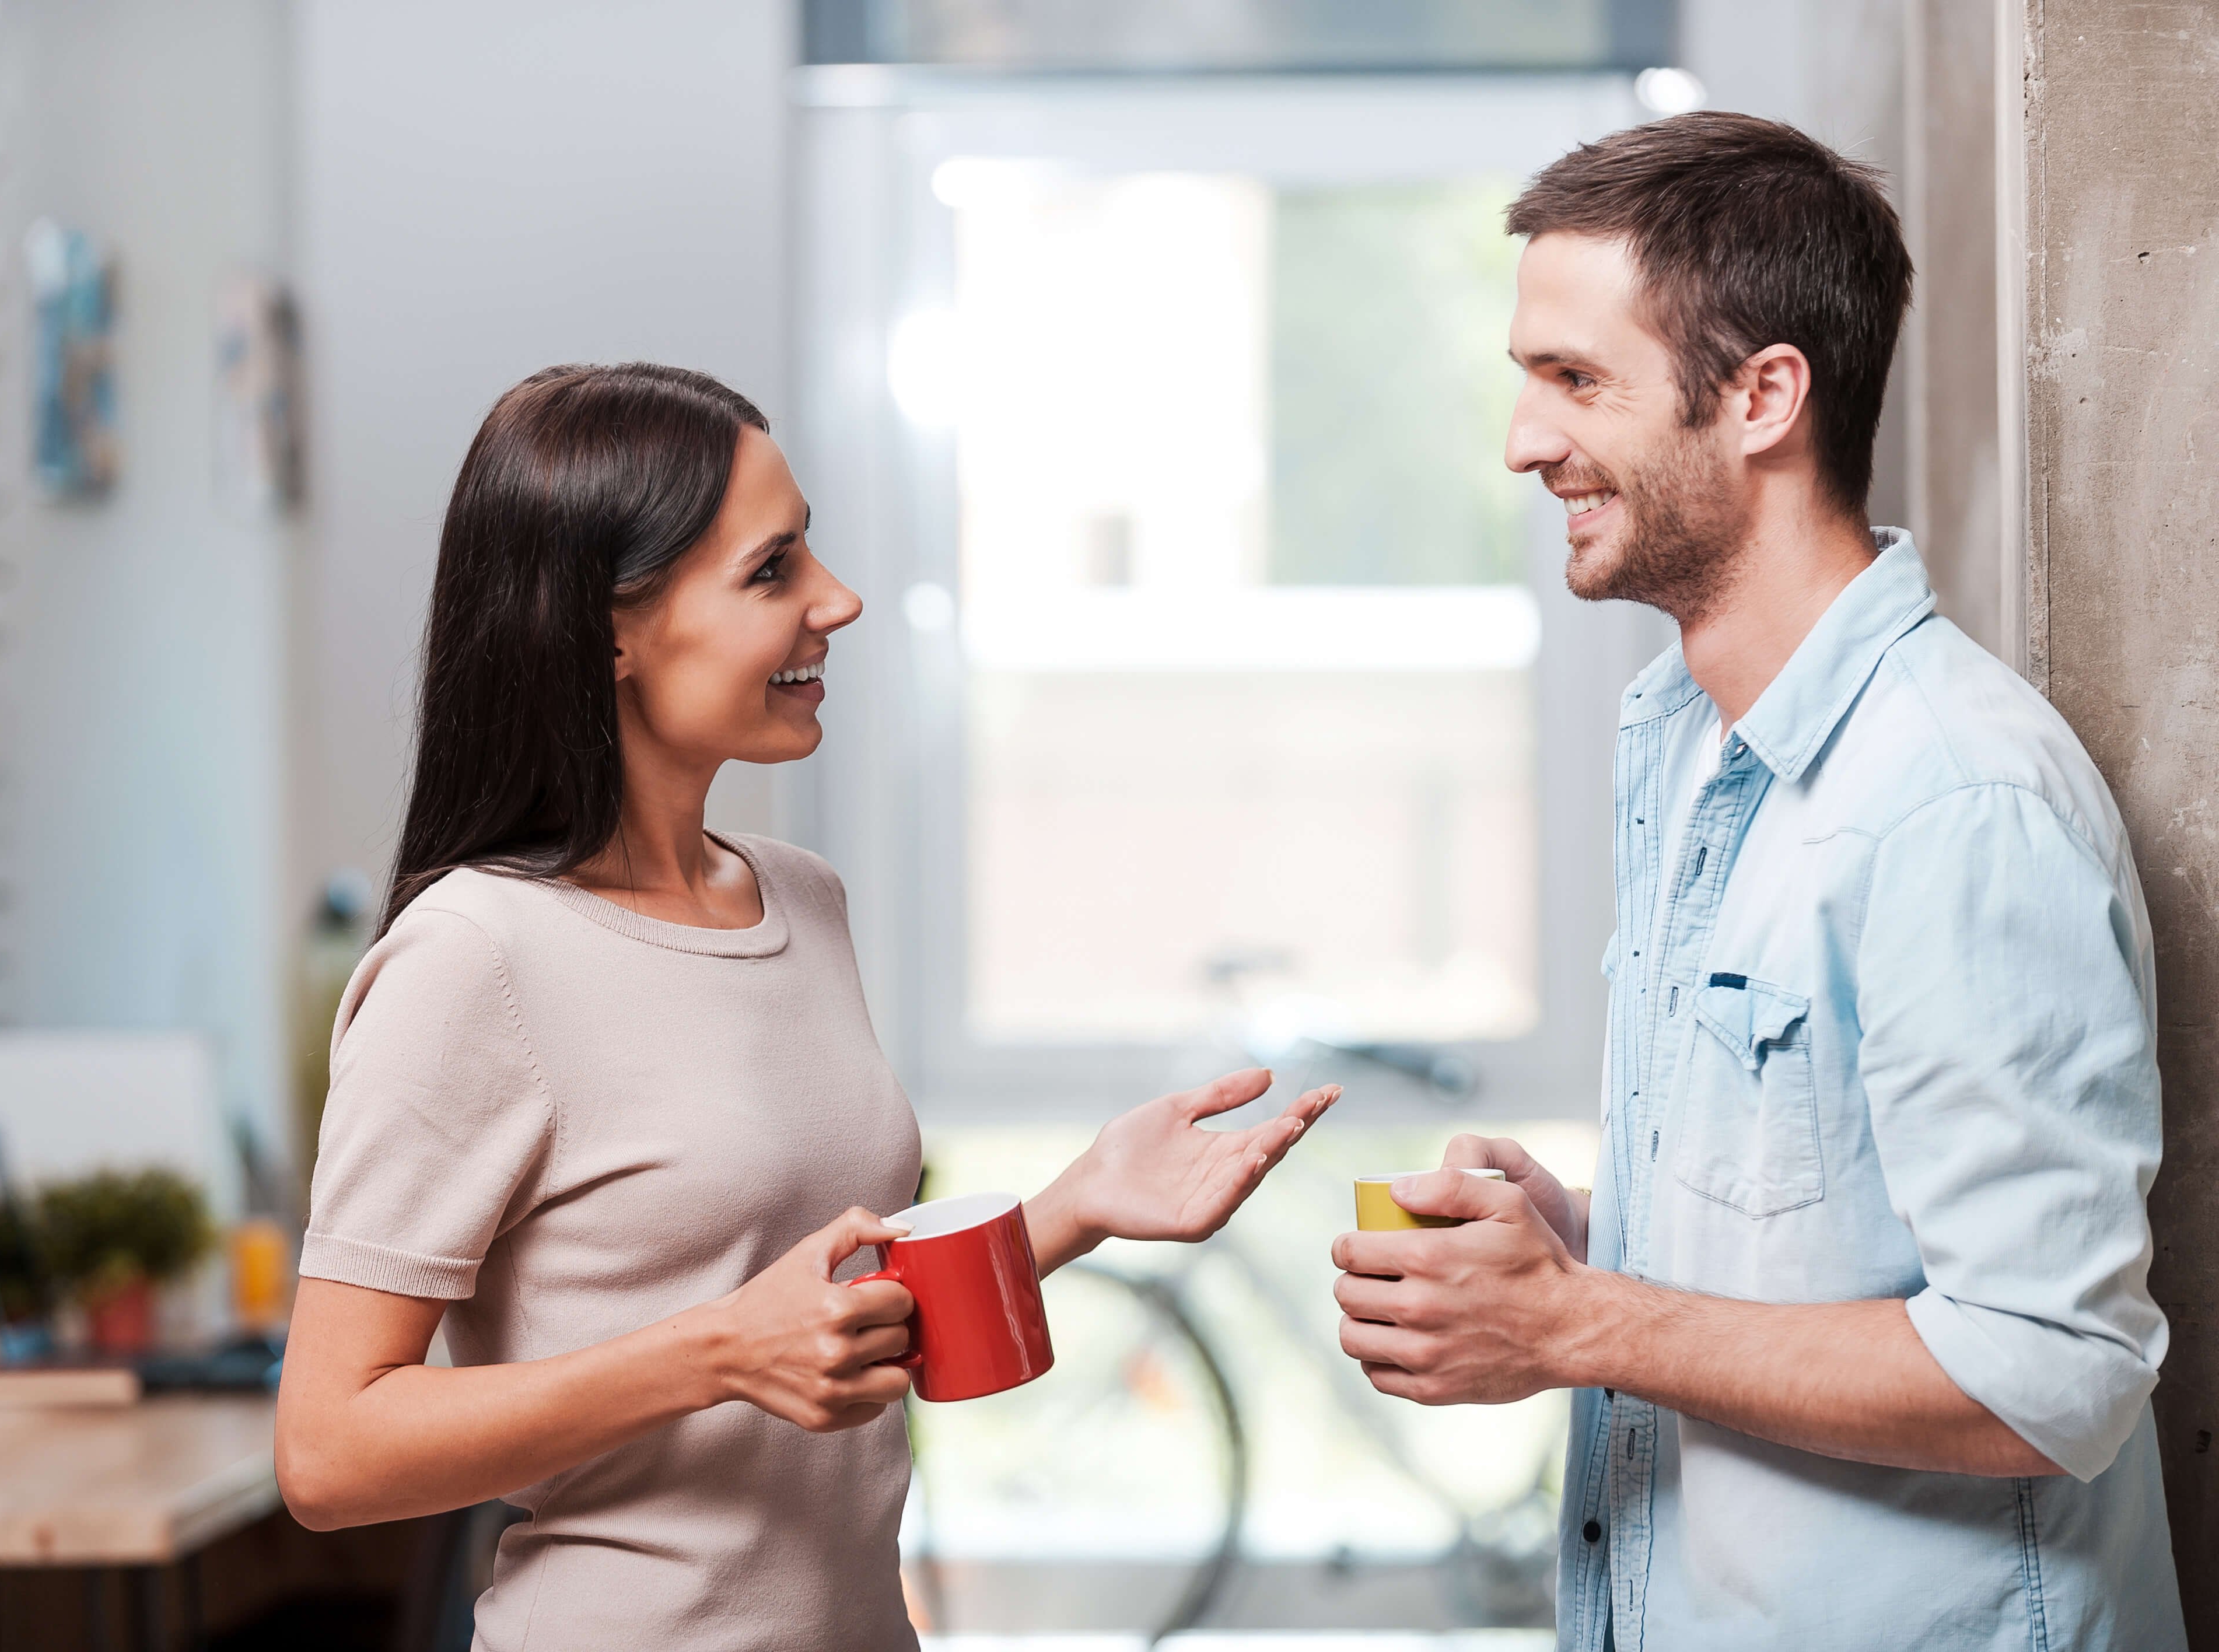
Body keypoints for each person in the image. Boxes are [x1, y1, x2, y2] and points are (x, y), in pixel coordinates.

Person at [272, 363, 1337, 1651]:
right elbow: (328, 1455)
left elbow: (826, 1314)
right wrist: (715, 1351)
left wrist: (1073, 1207)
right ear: (607, 629)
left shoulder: (799, 902)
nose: (839, 598)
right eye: (773, 571)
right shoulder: (473, 959)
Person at [1332, 113, 2186, 1650]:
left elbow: (2051, 1374)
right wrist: (1596, 1243)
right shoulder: (1683, 742)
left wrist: (1581, 1323)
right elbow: (1844, 1236)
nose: (1523, 443)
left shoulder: (1955, 800)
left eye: (1575, 381)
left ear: (1763, 397)